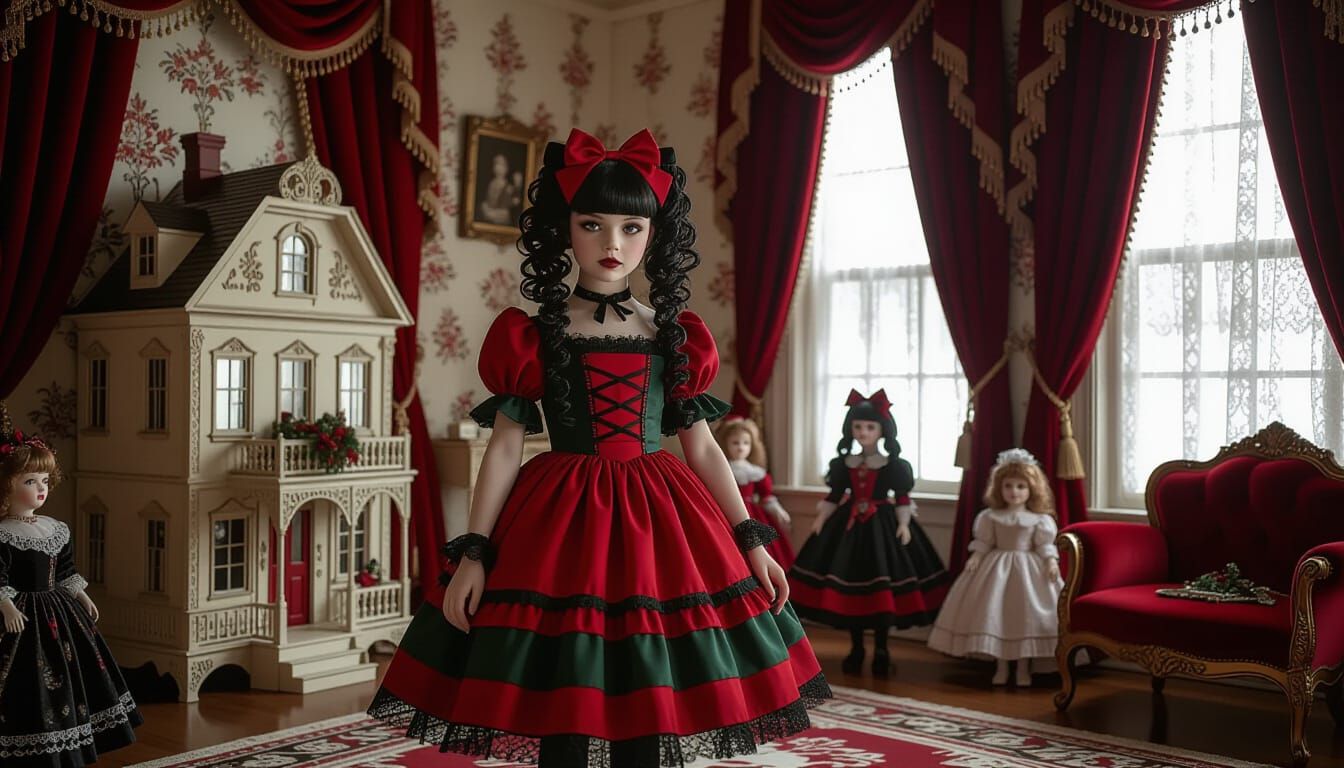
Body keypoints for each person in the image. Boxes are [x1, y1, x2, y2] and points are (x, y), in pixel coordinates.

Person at [368, 128, 830, 767]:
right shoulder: (529, 337)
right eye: (592, 224)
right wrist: (473, 553)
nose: (613, 244)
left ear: (653, 234)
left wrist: (749, 538)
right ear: (564, 230)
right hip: (560, 523)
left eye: (632, 228)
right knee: (564, 698)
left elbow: (701, 447)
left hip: (658, 518)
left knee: (650, 698)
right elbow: (504, 450)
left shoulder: (674, 336)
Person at [0, 427, 141, 766]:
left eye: (45, 481)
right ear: (7, 485)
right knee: (25, 684)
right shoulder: (3, 534)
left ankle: (66, 749)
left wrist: (81, 595)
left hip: (58, 615)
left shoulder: (55, 529)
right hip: (20, 619)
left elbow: (64, 570)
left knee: (68, 681)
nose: (41, 489)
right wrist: (5, 604)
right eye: (30, 481)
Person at [788, 389, 949, 676]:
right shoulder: (843, 464)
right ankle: (857, 647)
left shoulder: (894, 465)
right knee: (850, 587)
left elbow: (901, 497)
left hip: (882, 527)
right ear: (850, 429)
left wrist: (903, 524)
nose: (863, 432)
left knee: (883, 590)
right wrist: (821, 519)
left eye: (870, 427)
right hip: (847, 528)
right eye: (858, 427)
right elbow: (835, 494)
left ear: (882, 431)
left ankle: (882, 649)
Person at [926, 448, 1062, 687]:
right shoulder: (990, 517)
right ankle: (1000, 666)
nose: (1014, 492)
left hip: (1029, 572)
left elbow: (1044, 546)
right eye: (1008, 486)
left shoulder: (1039, 520)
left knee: (1025, 617)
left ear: (1031, 490)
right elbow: (984, 542)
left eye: (1021, 487)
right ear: (999, 488)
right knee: (996, 616)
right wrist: (976, 557)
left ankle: (1022, 668)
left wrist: (1051, 561)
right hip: (996, 570)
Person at [715, 417, 795, 570]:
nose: (740, 447)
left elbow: (767, 497)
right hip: (726, 512)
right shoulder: (722, 469)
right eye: (735, 443)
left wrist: (778, 510)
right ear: (726, 443)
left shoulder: (755, 472)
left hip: (752, 513)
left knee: (759, 547)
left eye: (746, 443)